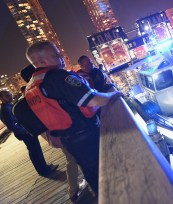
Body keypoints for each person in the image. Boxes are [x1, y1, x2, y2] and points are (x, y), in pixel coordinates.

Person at [24, 41, 122, 195]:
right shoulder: (57, 77)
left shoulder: (31, 87)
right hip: (87, 135)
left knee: (94, 177)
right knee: (109, 175)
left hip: (69, 141)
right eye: (56, 54)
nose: (61, 56)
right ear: (42, 62)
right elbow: (93, 100)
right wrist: (114, 94)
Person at [20, 64, 88, 202]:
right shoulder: (41, 89)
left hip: (52, 132)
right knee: (71, 159)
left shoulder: (29, 93)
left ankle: (83, 181)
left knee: (73, 157)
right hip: (60, 129)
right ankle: (73, 190)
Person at [0, 90, 58, 177]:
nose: (10, 96)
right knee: (34, 151)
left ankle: (43, 168)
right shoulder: (5, 109)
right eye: (7, 95)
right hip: (25, 133)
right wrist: (26, 130)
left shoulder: (8, 106)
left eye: (10, 94)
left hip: (26, 131)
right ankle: (44, 170)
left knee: (35, 150)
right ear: (1, 98)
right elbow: (12, 126)